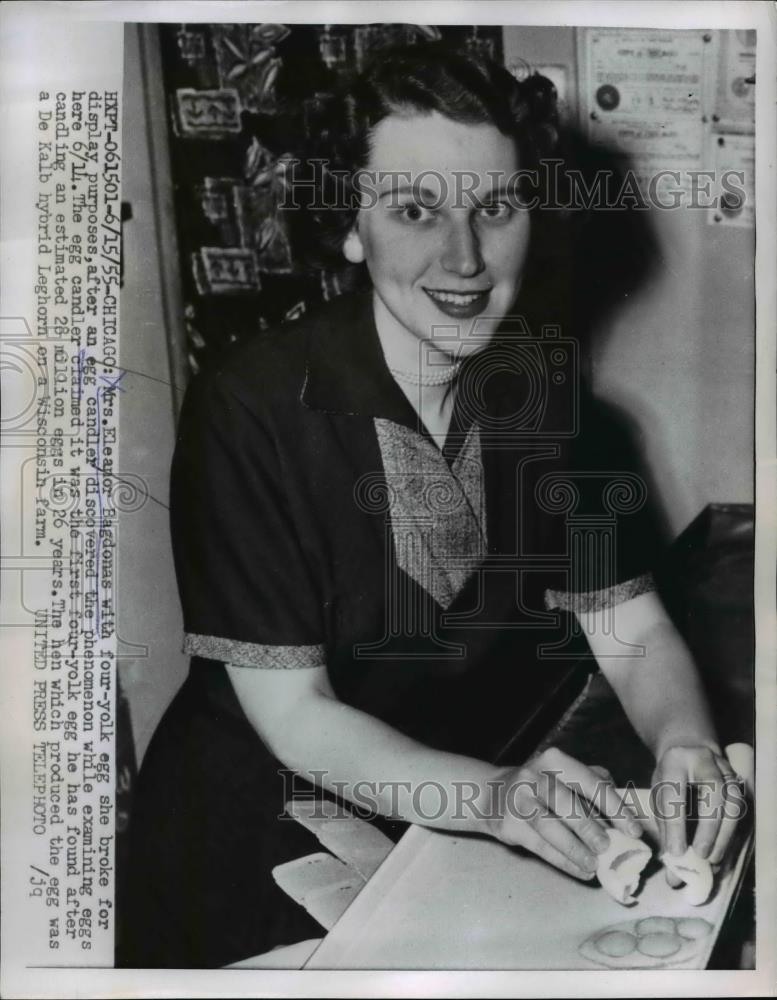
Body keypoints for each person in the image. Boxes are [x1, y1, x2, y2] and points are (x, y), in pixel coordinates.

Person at [119, 44, 742, 969]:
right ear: (351, 225)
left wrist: (688, 742)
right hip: (257, 838)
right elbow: (296, 715)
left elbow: (627, 623)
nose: (464, 257)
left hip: (446, 809)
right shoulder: (250, 405)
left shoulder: (549, 398)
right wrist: (492, 799)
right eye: (415, 211)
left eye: (495, 208)